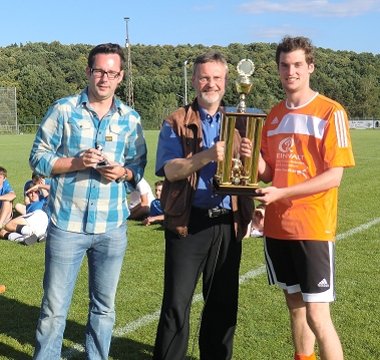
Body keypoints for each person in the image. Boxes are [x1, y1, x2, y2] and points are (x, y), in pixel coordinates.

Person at [29, 43, 147, 360]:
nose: (104, 78)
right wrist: (76, 163)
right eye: (99, 71)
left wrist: (123, 172)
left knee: (104, 307)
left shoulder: (130, 118)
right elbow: (38, 158)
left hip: (111, 227)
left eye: (111, 72)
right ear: (88, 72)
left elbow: (138, 167)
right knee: (54, 308)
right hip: (67, 223)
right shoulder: (63, 110)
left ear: (120, 76)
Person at [257, 36, 355, 360]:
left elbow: (334, 176)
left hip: (312, 227)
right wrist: (242, 155)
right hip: (277, 227)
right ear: (278, 69)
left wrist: (283, 192)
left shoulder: (331, 112)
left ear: (310, 67)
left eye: (298, 64)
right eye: (285, 65)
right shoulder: (272, 115)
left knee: (317, 315)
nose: (291, 71)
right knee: (296, 308)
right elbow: (267, 170)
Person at [153, 51, 253, 360]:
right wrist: (207, 155)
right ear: (195, 81)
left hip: (227, 221)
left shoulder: (240, 120)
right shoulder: (177, 120)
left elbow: (250, 172)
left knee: (222, 303)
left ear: (226, 82)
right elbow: (170, 170)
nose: (211, 83)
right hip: (189, 222)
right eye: (204, 77)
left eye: (217, 78)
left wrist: (249, 154)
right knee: (176, 304)